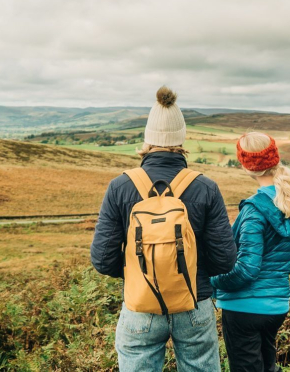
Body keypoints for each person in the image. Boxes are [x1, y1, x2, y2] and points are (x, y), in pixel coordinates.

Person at [91, 86, 236, 372]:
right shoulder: (205, 187)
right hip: (195, 303)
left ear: (148, 139)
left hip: (139, 305)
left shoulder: (120, 186)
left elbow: (102, 259)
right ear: (182, 139)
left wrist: (140, 269)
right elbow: (225, 260)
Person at [211, 132, 290, 372]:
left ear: (245, 165)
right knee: (268, 366)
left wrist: (211, 281)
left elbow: (247, 268)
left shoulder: (254, 210)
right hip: (277, 305)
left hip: (243, 308)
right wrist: (276, 270)